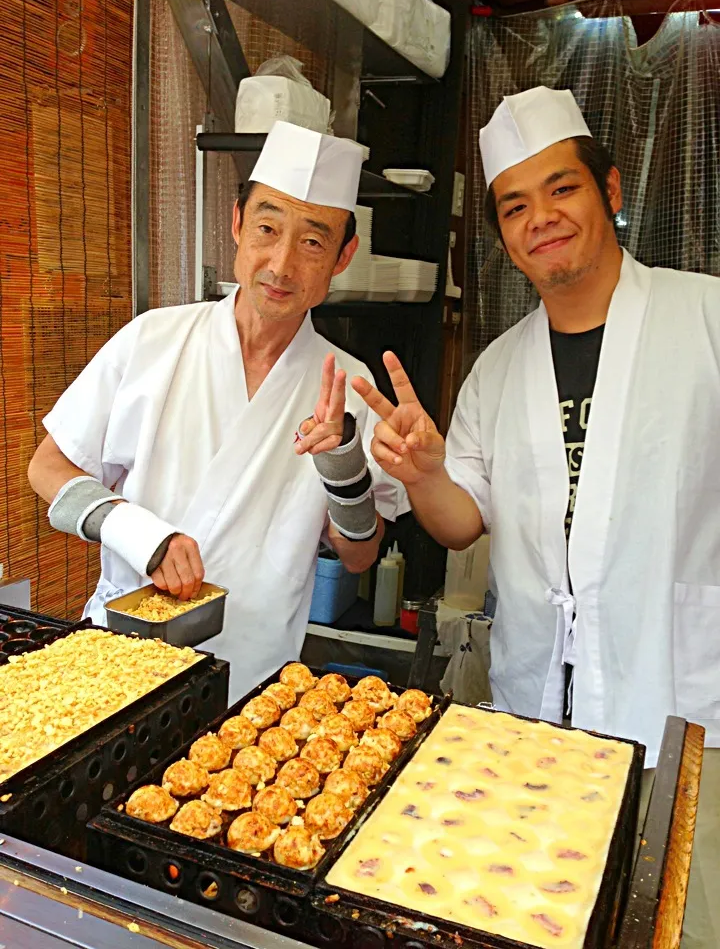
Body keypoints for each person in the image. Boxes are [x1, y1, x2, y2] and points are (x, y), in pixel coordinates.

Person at [353, 87, 719, 946]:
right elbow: (461, 521)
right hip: (539, 716)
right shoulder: (499, 367)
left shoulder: (707, 319)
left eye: (563, 189)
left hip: (682, 703)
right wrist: (427, 472)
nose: (541, 218)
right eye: (515, 206)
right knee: (545, 917)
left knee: (683, 925)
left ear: (613, 191)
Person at [28, 120, 407, 701]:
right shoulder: (152, 340)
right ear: (236, 225)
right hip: (118, 660)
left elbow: (359, 556)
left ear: (343, 255)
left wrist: (345, 468)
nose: (281, 264)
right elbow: (47, 469)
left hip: (252, 682)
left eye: (312, 241)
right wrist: (138, 532)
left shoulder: (350, 387)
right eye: (266, 228)